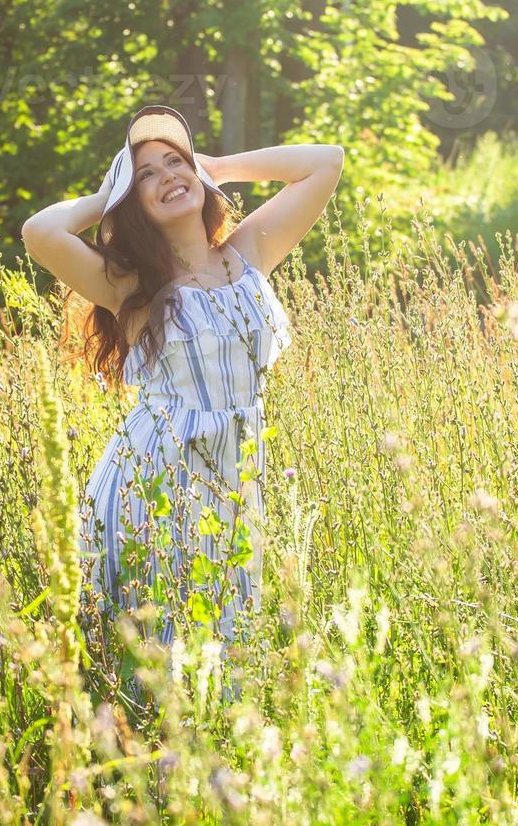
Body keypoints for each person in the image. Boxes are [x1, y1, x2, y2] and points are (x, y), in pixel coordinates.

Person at [20, 104, 344, 658]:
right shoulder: (132, 286)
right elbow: (39, 231)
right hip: (155, 481)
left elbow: (326, 162)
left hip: (236, 477)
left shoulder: (247, 253)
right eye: (147, 174)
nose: (168, 175)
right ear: (134, 204)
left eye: (175, 162)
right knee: (156, 651)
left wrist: (214, 164)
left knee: (226, 645)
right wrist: (106, 196)